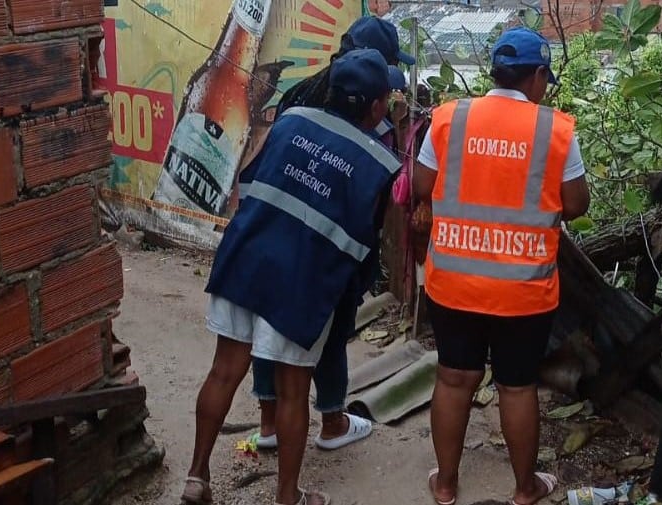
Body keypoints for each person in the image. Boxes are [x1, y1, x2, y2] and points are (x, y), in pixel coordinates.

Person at [182, 48, 402, 505]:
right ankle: (287, 496)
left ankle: (196, 477)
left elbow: (254, 181)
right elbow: (365, 243)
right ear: (379, 105)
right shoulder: (379, 165)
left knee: (224, 371)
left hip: (245, 258)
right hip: (302, 282)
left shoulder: (291, 119)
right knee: (293, 391)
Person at [412, 27, 590, 505]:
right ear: (535, 77)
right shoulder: (555, 129)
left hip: (453, 283)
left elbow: (422, 184)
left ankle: (446, 485)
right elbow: (576, 204)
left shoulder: (448, 118)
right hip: (522, 289)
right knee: (516, 386)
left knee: (453, 377)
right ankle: (524, 489)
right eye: (544, 80)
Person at [248, 15, 414, 452]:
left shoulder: (299, 96)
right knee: (333, 327)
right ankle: (332, 422)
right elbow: (372, 198)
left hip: (277, 231)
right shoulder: (367, 118)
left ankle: (268, 421)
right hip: (333, 239)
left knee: (270, 319)